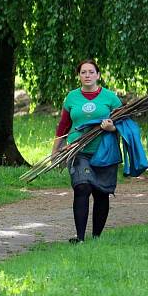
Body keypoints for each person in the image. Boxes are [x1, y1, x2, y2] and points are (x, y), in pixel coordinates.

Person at [52, 59, 122, 244]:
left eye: (91, 72)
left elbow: (125, 124)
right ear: (79, 76)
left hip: (104, 152)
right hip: (78, 150)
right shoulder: (72, 98)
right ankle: (80, 238)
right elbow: (63, 126)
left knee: (101, 193)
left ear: (98, 75)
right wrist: (55, 152)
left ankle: (97, 237)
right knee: (82, 187)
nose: (88, 75)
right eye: (83, 72)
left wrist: (112, 128)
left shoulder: (110, 98)